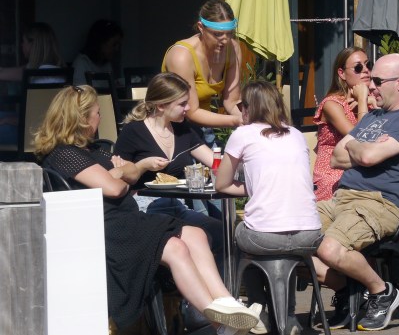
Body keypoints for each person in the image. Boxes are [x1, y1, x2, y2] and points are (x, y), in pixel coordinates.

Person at [35, 85, 261, 335]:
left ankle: (227, 303)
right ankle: (221, 323)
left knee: (196, 234)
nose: (99, 118)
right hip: (105, 230)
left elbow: (132, 172)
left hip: (128, 220)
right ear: (81, 118)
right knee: (176, 247)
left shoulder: (93, 150)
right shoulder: (65, 155)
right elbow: (115, 188)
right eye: (97, 113)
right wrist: (121, 172)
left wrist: (122, 172)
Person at [314, 54, 399, 332]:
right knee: (290, 237)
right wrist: (366, 149)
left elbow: (361, 156)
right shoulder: (374, 117)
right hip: (341, 198)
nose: (371, 85)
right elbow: (336, 158)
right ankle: (348, 291)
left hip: (380, 204)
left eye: (377, 80)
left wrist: (362, 150)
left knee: (330, 249)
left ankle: (381, 291)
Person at [215, 81, 323, 333]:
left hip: (265, 238)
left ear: (251, 107)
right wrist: (259, 185)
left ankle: (259, 308)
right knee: (287, 254)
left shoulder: (242, 134)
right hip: (310, 235)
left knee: (239, 235)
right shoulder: (295, 134)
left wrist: (254, 186)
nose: (240, 110)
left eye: (242, 105)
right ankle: (289, 317)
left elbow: (222, 184)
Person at [114, 73, 222, 256]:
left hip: (177, 206)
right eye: (182, 104)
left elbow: (214, 161)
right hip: (144, 208)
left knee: (219, 231)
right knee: (194, 238)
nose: (188, 108)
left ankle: (219, 283)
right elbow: (117, 178)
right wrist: (143, 165)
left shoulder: (183, 130)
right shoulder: (134, 132)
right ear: (161, 105)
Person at [161, 0, 243, 137]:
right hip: (171, 129)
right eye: (217, 34)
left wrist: (253, 120)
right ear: (201, 27)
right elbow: (190, 111)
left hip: (204, 129)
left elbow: (231, 101)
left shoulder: (233, 49)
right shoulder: (182, 56)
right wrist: (237, 120)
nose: (225, 40)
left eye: (229, 33)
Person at [312, 46, 377, 201]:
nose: (366, 70)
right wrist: (362, 99)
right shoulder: (331, 104)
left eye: (368, 65)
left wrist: (375, 105)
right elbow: (360, 138)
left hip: (362, 170)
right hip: (334, 175)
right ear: (341, 73)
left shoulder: (371, 100)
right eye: (358, 67)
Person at [0, 22, 65, 83]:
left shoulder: (44, 78)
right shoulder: (38, 69)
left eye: (24, 41)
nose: (22, 45)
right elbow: (22, 71)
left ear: (32, 45)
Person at [72, 19, 124, 86]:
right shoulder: (81, 64)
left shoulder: (107, 65)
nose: (117, 49)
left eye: (118, 45)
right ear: (101, 42)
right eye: (114, 44)